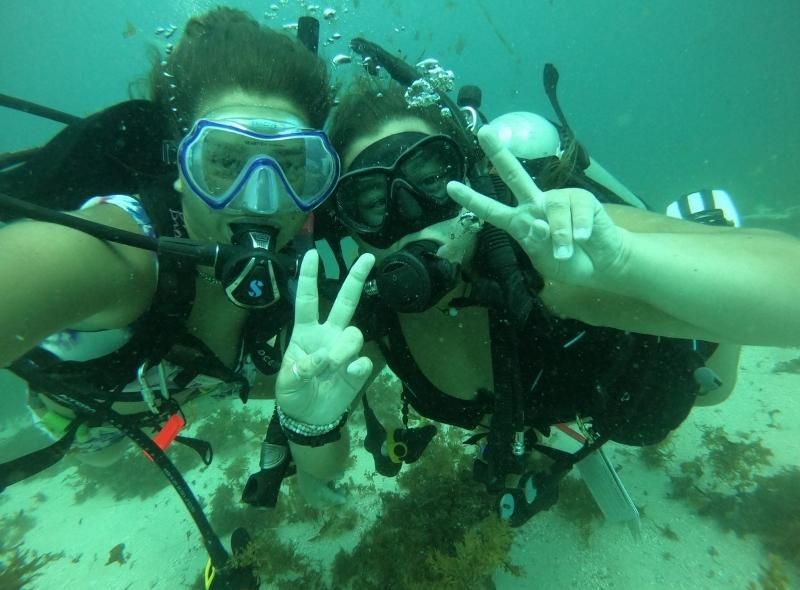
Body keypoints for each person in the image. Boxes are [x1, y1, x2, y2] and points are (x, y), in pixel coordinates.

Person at [320, 68, 800, 525]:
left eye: (430, 179)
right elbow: (317, 452)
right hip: (536, 404)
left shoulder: (545, 253)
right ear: (350, 228)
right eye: (374, 202)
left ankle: (703, 231)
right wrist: (306, 424)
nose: (412, 214)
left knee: (693, 400)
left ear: (469, 174)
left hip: (633, 362)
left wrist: (626, 263)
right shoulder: (371, 321)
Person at [0, 8, 374, 587]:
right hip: (81, 420)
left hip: (173, 400)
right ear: (179, 168)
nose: (261, 198)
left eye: (294, 167)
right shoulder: (117, 255)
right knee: (98, 454)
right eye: (224, 162)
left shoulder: (300, 293)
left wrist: (311, 426)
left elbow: (324, 471)